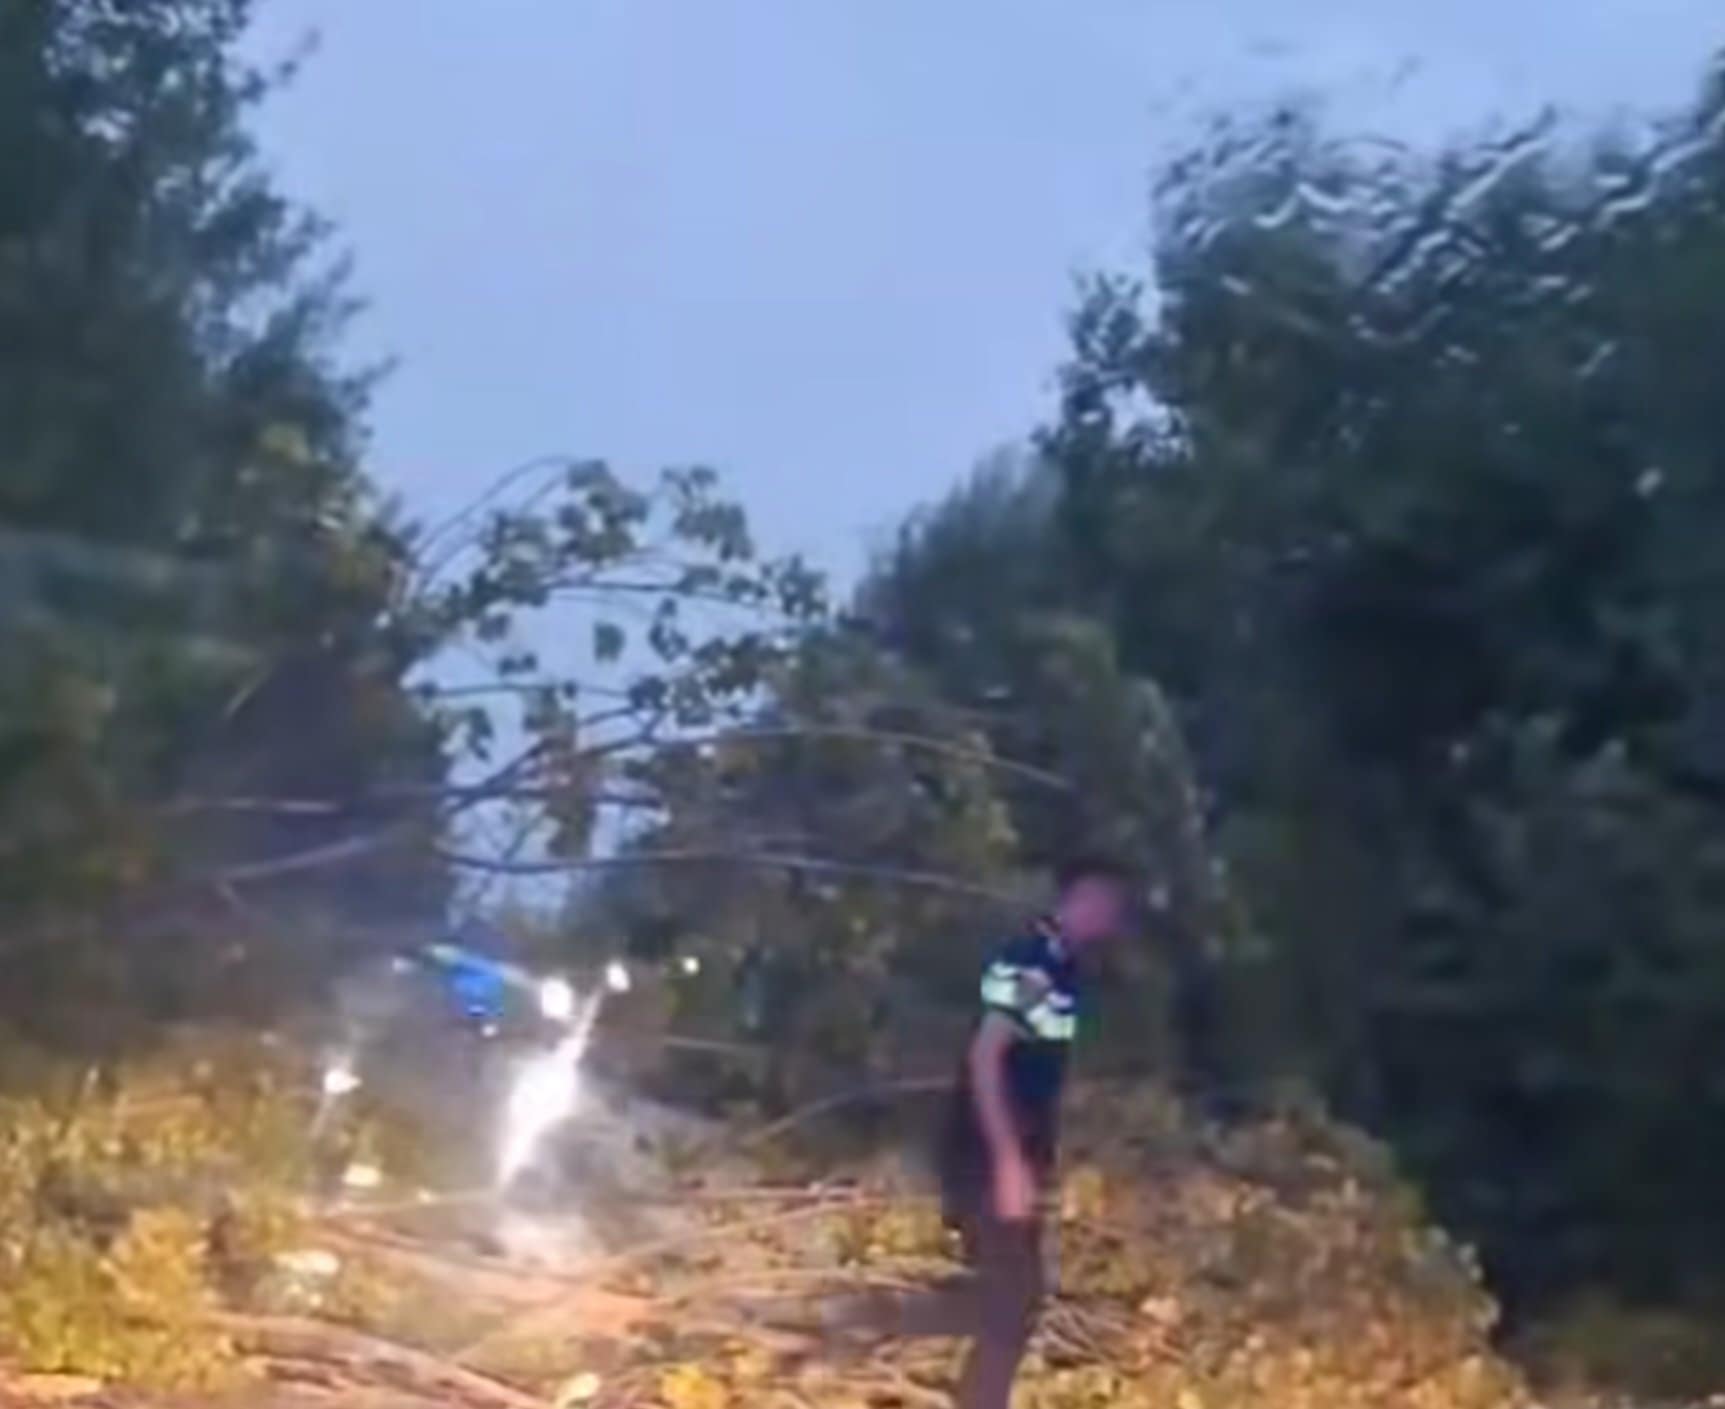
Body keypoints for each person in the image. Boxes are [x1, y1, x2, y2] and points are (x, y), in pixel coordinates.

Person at [830, 855, 1134, 1409]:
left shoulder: (1061, 965)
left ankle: (873, 1318)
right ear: (1081, 898)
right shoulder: (1035, 963)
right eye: (1107, 904)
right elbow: (987, 1055)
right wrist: (1008, 1161)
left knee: (1011, 1301)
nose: (1112, 918)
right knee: (1012, 1301)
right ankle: (870, 1315)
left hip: (1004, 1149)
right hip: (986, 1151)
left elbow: (1030, 1065)